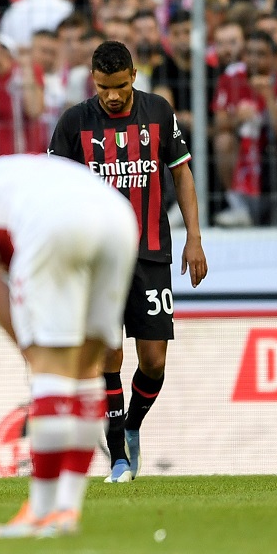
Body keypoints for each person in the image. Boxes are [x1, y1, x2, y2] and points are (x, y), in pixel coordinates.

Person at [0, 146, 139, 538]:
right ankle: (67, 512)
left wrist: (28, 348)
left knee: (52, 377)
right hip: (120, 218)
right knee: (88, 375)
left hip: (55, 225)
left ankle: (40, 511)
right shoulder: (12, 173)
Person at [47, 40, 208, 483]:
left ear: (133, 75)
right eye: (103, 87)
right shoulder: (73, 122)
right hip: (95, 259)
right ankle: (117, 456)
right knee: (110, 356)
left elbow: (182, 174)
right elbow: (55, 191)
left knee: (154, 360)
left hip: (151, 252)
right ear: (92, 80)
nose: (112, 95)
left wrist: (194, 238)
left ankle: (132, 424)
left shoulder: (158, 112)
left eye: (119, 86)